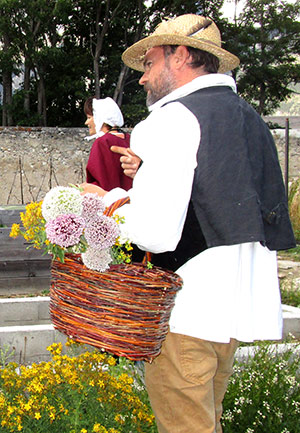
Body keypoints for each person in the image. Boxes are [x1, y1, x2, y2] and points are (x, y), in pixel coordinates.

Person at [82, 14, 296, 433]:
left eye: (149, 62)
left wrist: (107, 201)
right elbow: (214, 203)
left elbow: (157, 232)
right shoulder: (248, 118)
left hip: (183, 313)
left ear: (180, 56)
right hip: (229, 311)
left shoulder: (170, 120)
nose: (142, 78)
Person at [83, 96, 133, 191]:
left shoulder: (102, 142)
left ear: (99, 118)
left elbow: (99, 185)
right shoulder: (130, 139)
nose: (86, 122)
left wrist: (83, 188)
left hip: (111, 203)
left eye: (89, 117)